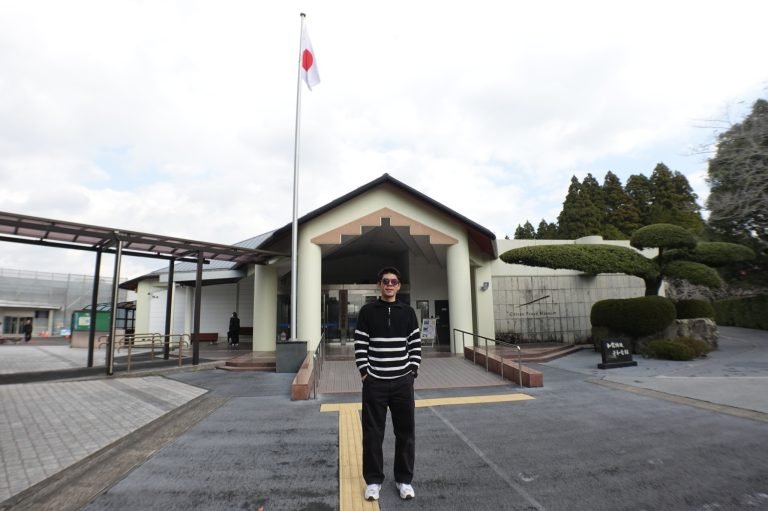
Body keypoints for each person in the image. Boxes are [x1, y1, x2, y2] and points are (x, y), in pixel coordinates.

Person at [354, 266, 421, 501]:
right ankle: (373, 481)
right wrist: (365, 373)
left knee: (406, 433)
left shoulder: (408, 312)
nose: (389, 285)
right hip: (375, 384)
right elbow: (361, 344)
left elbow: (415, 343)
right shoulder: (367, 311)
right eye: (385, 281)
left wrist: (412, 370)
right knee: (373, 434)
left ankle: (404, 480)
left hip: (403, 382)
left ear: (399, 285)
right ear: (379, 284)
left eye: (393, 281)